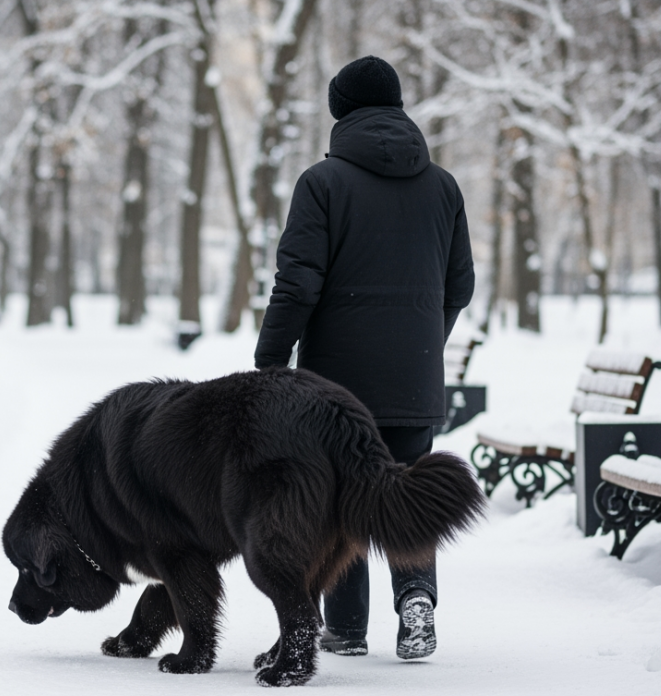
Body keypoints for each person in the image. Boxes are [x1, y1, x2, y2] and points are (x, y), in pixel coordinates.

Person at [253, 55, 474, 660]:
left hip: (334, 387)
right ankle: (418, 603)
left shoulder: (321, 184)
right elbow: (460, 289)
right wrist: (424, 342)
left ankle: (346, 628)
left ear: (339, 111)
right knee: (408, 490)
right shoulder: (443, 185)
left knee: (342, 495)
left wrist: (270, 362)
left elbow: (297, 284)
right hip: (416, 374)